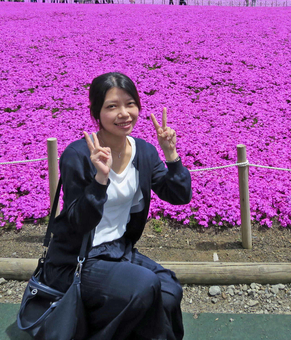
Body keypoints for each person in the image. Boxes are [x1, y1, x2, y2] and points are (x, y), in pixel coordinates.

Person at [43, 72, 191, 340]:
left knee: (169, 290)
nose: (124, 113)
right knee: (144, 285)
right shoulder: (78, 155)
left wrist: (172, 156)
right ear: (96, 113)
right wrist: (100, 178)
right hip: (79, 258)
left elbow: (179, 195)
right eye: (112, 106)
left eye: (130, 103)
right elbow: (78, 221)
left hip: (119, 250)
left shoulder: (144, 151)